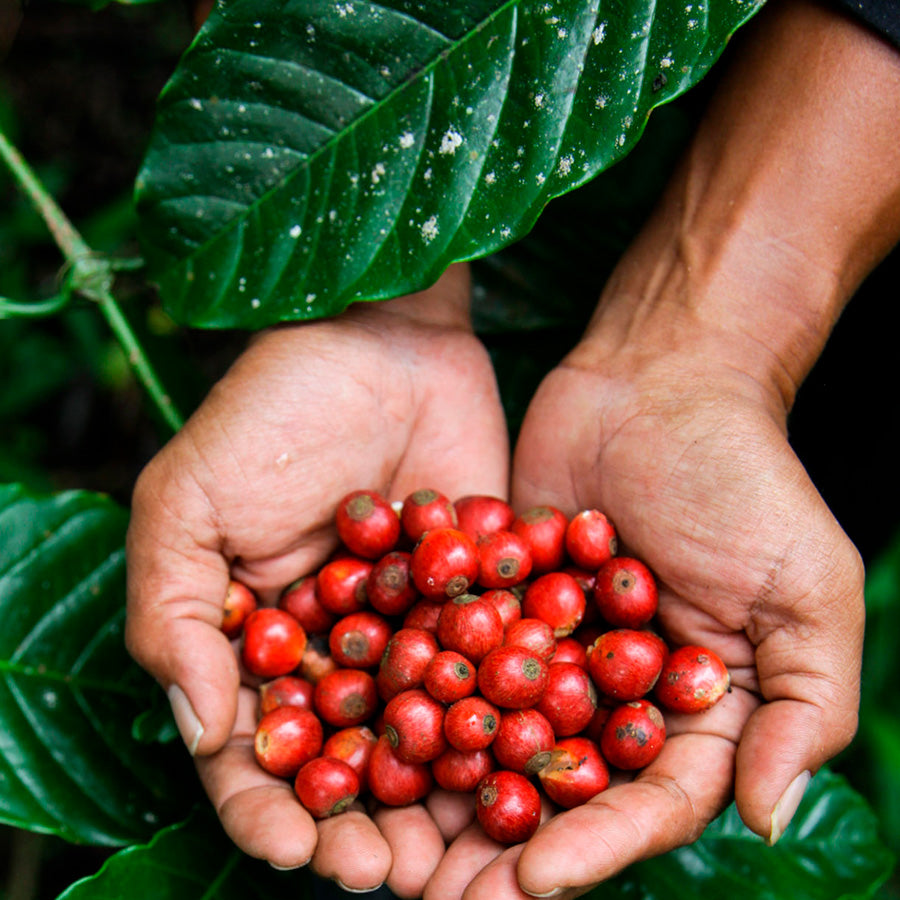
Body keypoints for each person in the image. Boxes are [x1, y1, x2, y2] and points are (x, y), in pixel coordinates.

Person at [124, 0, 900, 896]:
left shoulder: (496, 650)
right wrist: (375, 301)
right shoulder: (459, 641)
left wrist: (723, 340)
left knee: (834, 435)